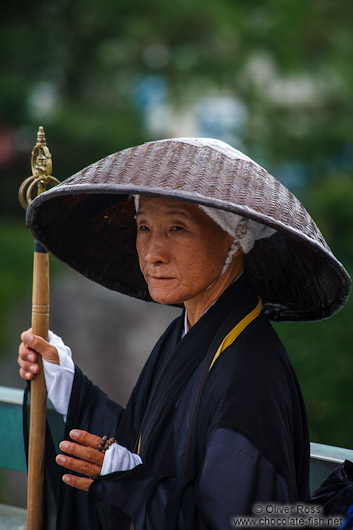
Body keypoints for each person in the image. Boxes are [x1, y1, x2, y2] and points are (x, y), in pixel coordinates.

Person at [18, 138, 350, 529]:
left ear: (235, 239)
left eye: (177, 227)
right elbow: (142, 440)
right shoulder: (188, 331)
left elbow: (241, 520)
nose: (152, 252)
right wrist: (67, 383)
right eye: (144, 227)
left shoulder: (249, 374)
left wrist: (130, 483)